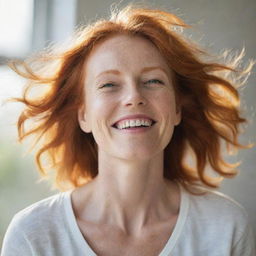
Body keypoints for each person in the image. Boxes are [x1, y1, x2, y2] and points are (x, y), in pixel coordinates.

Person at [1, 4, 255, 256]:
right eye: (109, 84)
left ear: (177, 109)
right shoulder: (33, 235)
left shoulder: (225, 226)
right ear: (84, 115)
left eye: (153, 81)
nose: (134, 97)